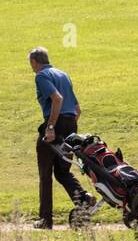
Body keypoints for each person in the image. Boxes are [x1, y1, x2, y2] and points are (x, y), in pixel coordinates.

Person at [29, 46, 95, 228]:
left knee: (45, 173)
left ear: (34, 62)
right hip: (70, 125)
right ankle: (82, 199)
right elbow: (77, 109)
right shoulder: (63, 75)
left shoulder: (41, 76)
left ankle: (45, 220)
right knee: (62, 171)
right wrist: (68, 128)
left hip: (54, 124)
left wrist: (50, 127)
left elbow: (56, 99)